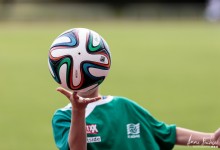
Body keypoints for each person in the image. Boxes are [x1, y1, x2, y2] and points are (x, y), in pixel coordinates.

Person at [52, 86, 220, 150]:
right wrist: (78, 110)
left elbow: (166, 133)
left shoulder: (125, 106)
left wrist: (212, 140)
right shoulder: (64, 117)